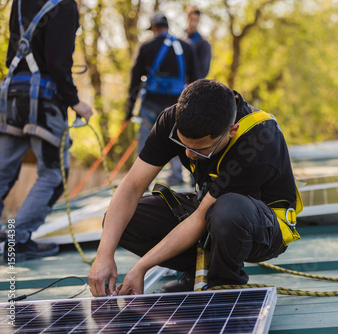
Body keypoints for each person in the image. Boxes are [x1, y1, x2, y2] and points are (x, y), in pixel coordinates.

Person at [88, 79, 301, 296]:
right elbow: (131, 186)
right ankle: (198, 269)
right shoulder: (172, 120)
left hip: (262, 228)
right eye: (183, 145)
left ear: (231, 131)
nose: (189, 154)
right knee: (120, 222)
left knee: (228, 210)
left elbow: (201, 218)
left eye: (201, 149)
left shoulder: (259, 141)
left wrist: (141, 267)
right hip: (211, 211)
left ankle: (224, 284)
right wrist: (104, 255)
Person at [0, 0, 93, 262]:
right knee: (54, 173)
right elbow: (57, 62)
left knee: (2, 170)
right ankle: (16, 241)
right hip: (43, 100)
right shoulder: (63, 5)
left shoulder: (19, 2)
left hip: (11, 95)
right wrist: (74, 101)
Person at [125, 12, 199, 186]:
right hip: (177, 103)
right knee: (178, 137)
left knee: (145, 139)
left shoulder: (146, 47)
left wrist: (128, 111)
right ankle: (177, 175)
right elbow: (196, 78)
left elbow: (135, 80)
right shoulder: (185, 47)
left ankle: (140, 180)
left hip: (151, 103)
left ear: (154, 28)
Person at [184, 6, 212, 79]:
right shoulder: (181, 41)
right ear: (187, 19)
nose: (193, 23)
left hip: (193, 85)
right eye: (191, 19)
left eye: (196, 20)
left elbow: (203, 72)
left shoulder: (204, 44)